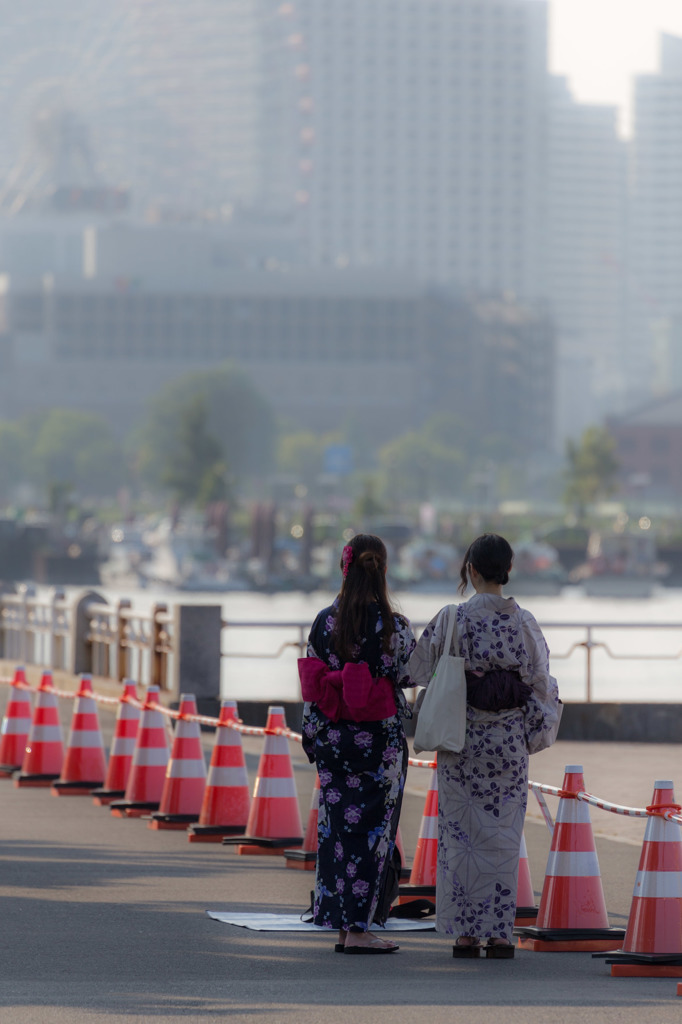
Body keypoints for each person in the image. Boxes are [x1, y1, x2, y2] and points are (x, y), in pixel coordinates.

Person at [408, 533, 561, 960]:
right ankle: (498, 935)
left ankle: (464, 934)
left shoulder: (452, 618)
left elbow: (416, 670)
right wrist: (531, 729)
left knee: (460, 837)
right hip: (508, 741)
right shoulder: (524, 621)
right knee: (503, 837)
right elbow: (540, 681)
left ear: (471, 570)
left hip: (462, 739)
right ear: (507, 570)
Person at [299, 534, 416, 954]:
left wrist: (311, 735)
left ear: (343, 567)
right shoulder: (394, 626)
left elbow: (312, 685)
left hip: (332, 735)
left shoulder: (324, 621)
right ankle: (361, 928)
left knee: (335, 831)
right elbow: (409, 674)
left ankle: (340, 924)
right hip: (378, 742)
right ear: (383, 570)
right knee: (374, 834)